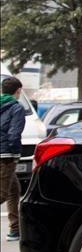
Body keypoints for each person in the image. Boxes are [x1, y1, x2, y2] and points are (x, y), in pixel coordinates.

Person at [1, 76, 25, 241]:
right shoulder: (17, 107)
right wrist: (15, 153)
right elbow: (14, 133)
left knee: (13, 190)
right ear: (18, 91)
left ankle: (15, 229)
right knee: (2, 193)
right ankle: (15, 228)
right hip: (6, 154)